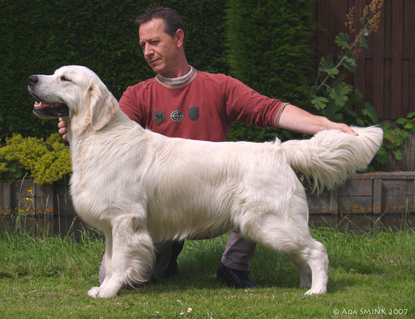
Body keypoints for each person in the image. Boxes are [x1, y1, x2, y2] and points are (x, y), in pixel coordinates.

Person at [58, 6, 356, 288]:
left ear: (178, 38)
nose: (148, 51)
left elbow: (270, 110)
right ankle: (164, 260)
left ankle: (234, 266)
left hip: (218, 190)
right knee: (112, 276)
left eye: (154, 42)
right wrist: (79, 124)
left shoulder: (219, 86)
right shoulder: (138, 95)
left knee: (251, 184)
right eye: (143, 45)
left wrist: (324, 125)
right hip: (165, 203)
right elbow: (112, 135)